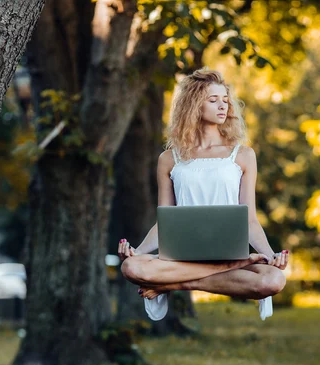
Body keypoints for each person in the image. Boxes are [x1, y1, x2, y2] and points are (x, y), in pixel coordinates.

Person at [118, 67, 288, 321]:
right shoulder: (169, 159)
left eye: (225, 100)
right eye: (213, 100)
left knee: (273, 280)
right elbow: (165, 220)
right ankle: (231, 267)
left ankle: (177, 285)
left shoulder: (242, 155)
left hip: (218, 257)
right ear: (194, 105)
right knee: (130, 267)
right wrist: (138, 251)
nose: (223, 106)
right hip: (182, 259)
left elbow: (250, 220)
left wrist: (271, 255)